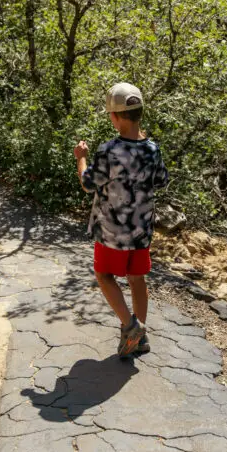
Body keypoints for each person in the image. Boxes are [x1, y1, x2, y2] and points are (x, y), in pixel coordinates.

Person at [74, 82, 169, 358]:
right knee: (136, 278)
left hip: (112, 230)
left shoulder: (109, 151)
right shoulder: (152, 148)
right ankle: (141, 336)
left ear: (114, 117)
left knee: (104, 276)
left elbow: (87, 183)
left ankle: (130, 327)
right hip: (141, 229)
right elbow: (161, 180)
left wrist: (81, 158)